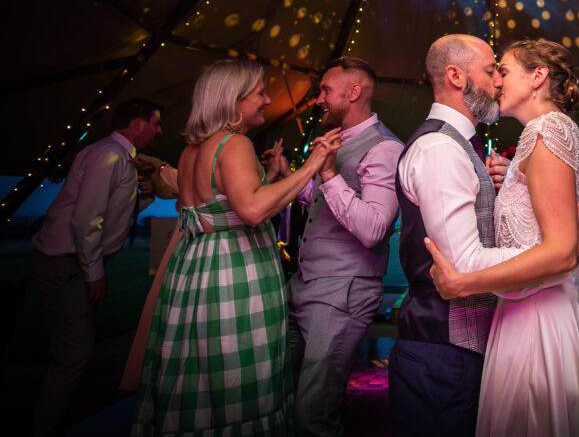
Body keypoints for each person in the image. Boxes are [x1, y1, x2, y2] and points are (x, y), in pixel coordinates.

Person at [131, 59, 340, 436]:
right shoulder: (235, 143)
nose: (265, 100)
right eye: (259, 93)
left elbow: (206, 204)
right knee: (235, 371)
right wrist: (313, 163)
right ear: (233, 99)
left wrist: (273, 176)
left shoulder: (192, 149)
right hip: (233, 270)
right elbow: (253, 208)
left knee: (197, 368)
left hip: (193, 269)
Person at [425, 38, 579, 437]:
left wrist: (464, 281)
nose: (495, 81)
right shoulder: (552, 131)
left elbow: (562, 251)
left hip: (538, 320)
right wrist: (514, 180)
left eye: (504, 71)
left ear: (538, 77)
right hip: (538, 310)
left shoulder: (545, 131)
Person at [388, 34, 524, 437]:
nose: (499, 81)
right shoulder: (440, 150)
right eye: (489, 72)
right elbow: (462, 265)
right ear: (456, 76)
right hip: (441, 354)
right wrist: (547, 255)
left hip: (457, 349)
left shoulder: (461, 146)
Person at [283, 56, 404, 437]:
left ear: (353, 92)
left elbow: (374, 228)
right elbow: (318, 199)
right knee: (284, 397)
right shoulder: (336, 140)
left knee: (313, 415)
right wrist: (288, 175)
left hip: (342, 292)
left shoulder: (385, 148)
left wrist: (330, 173)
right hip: (304, 284)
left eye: (324, 90)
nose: (318, 98)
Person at [30, 98, 163, 437]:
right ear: (136, 124)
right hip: (68, 263)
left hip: (73, 263)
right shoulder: (110, 156)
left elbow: (116, 207)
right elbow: (88, 218)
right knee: (74, 354)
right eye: (155, 123)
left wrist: (145, 194)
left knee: (72, 347)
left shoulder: (118, 158)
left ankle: (59, 413)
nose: (159, 131)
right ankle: (44, 426)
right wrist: (95, 272)